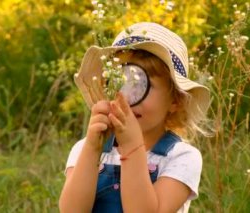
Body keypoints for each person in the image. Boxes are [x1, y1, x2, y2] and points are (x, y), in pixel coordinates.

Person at [59, 22, 211, 213]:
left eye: (142, 84)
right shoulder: (85, 149)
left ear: (175, 100)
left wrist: (132, 147)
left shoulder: (180, 157)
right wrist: (92, 148)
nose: (128, 97)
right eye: (120, 82)